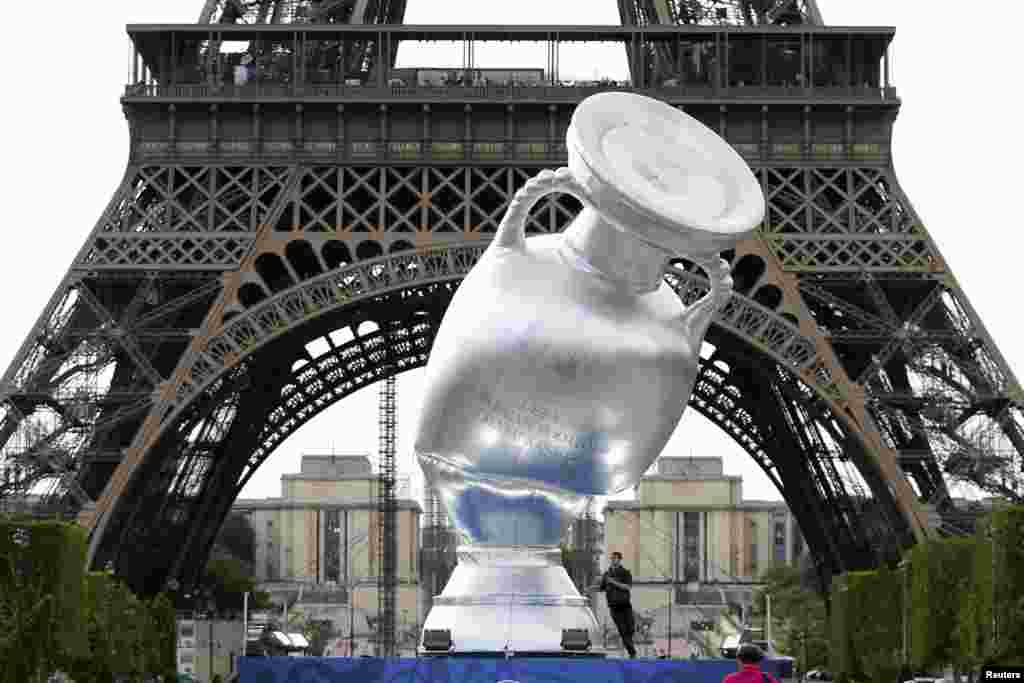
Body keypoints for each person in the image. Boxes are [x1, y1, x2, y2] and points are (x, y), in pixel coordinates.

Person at [590, 551, 637, 658]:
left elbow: (628, 587)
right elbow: (601, 588)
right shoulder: (607, 574)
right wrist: (591, 589)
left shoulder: (625, 572)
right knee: (622, 630)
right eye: (612, 558)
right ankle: (632, 653)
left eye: (615, 558)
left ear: (620, 560)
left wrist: (613, 582)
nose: (613, 560)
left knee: (630, 628)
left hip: (625, 605)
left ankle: (631, 648)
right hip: (614, 607)